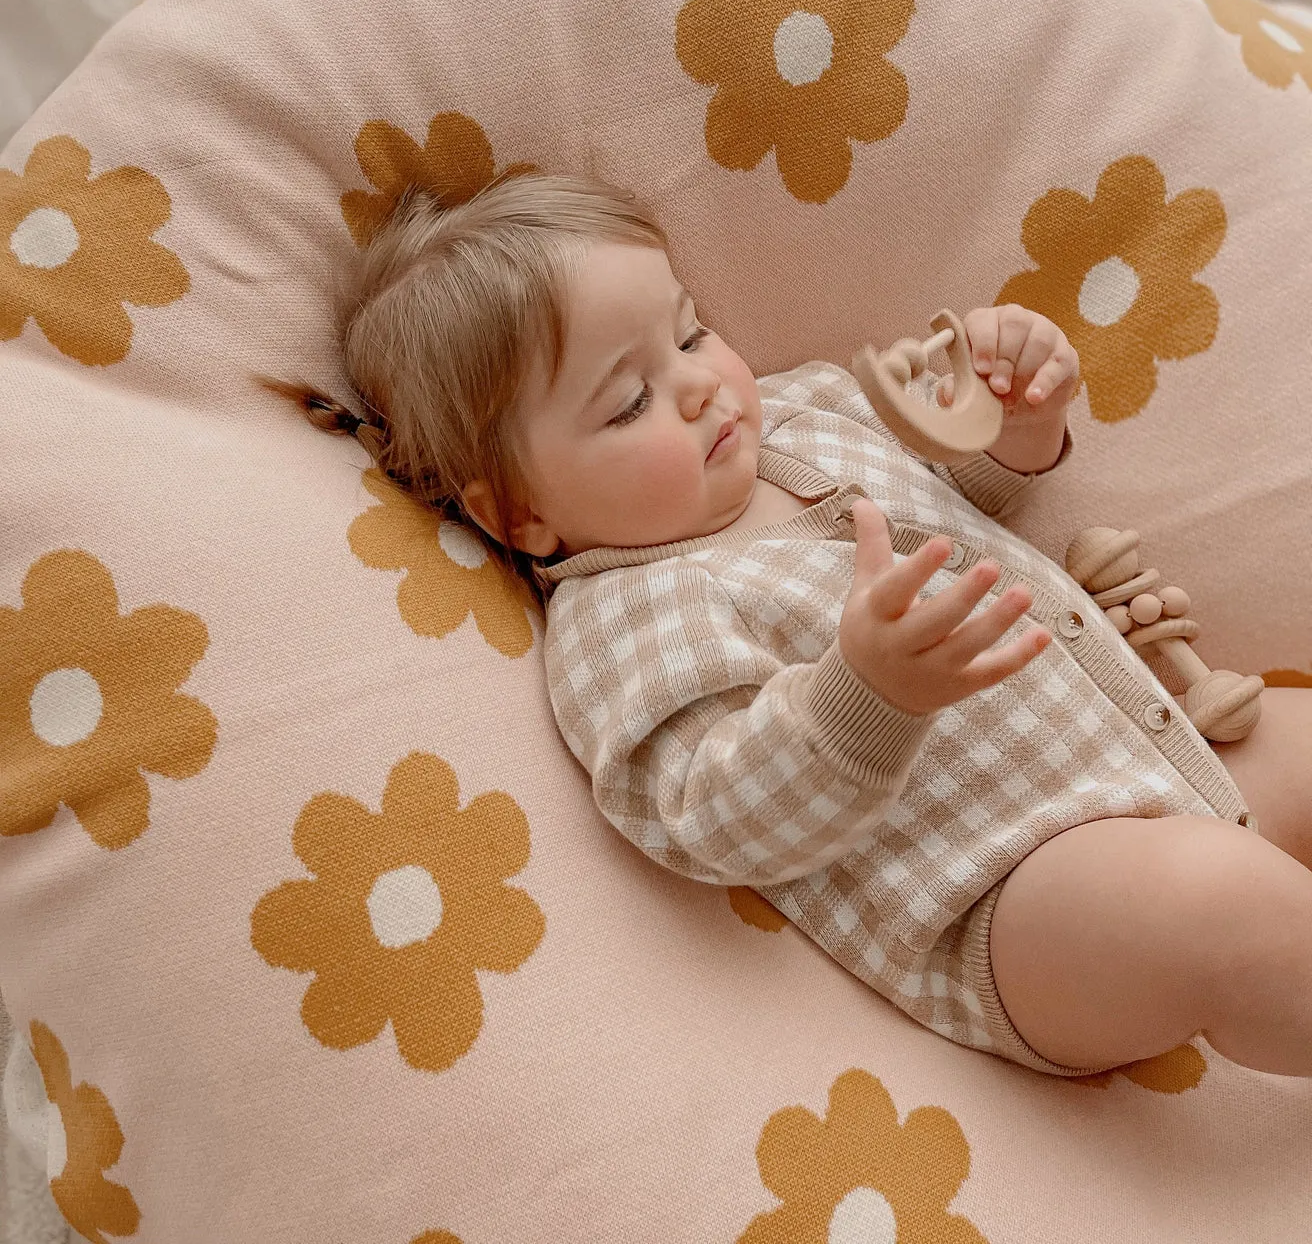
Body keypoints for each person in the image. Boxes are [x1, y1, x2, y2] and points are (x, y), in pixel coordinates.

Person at [274, 171, 1312, 1078]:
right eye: (629, 402)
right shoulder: (626, 620)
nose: (698, 388)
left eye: (688, 333)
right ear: (518, 513)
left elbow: (959, 500)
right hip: (1015, 901)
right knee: (1219, 906)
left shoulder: (804, 408)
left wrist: (1018, 429)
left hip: (1153, 749)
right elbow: (712, 816)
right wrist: (866, 693)